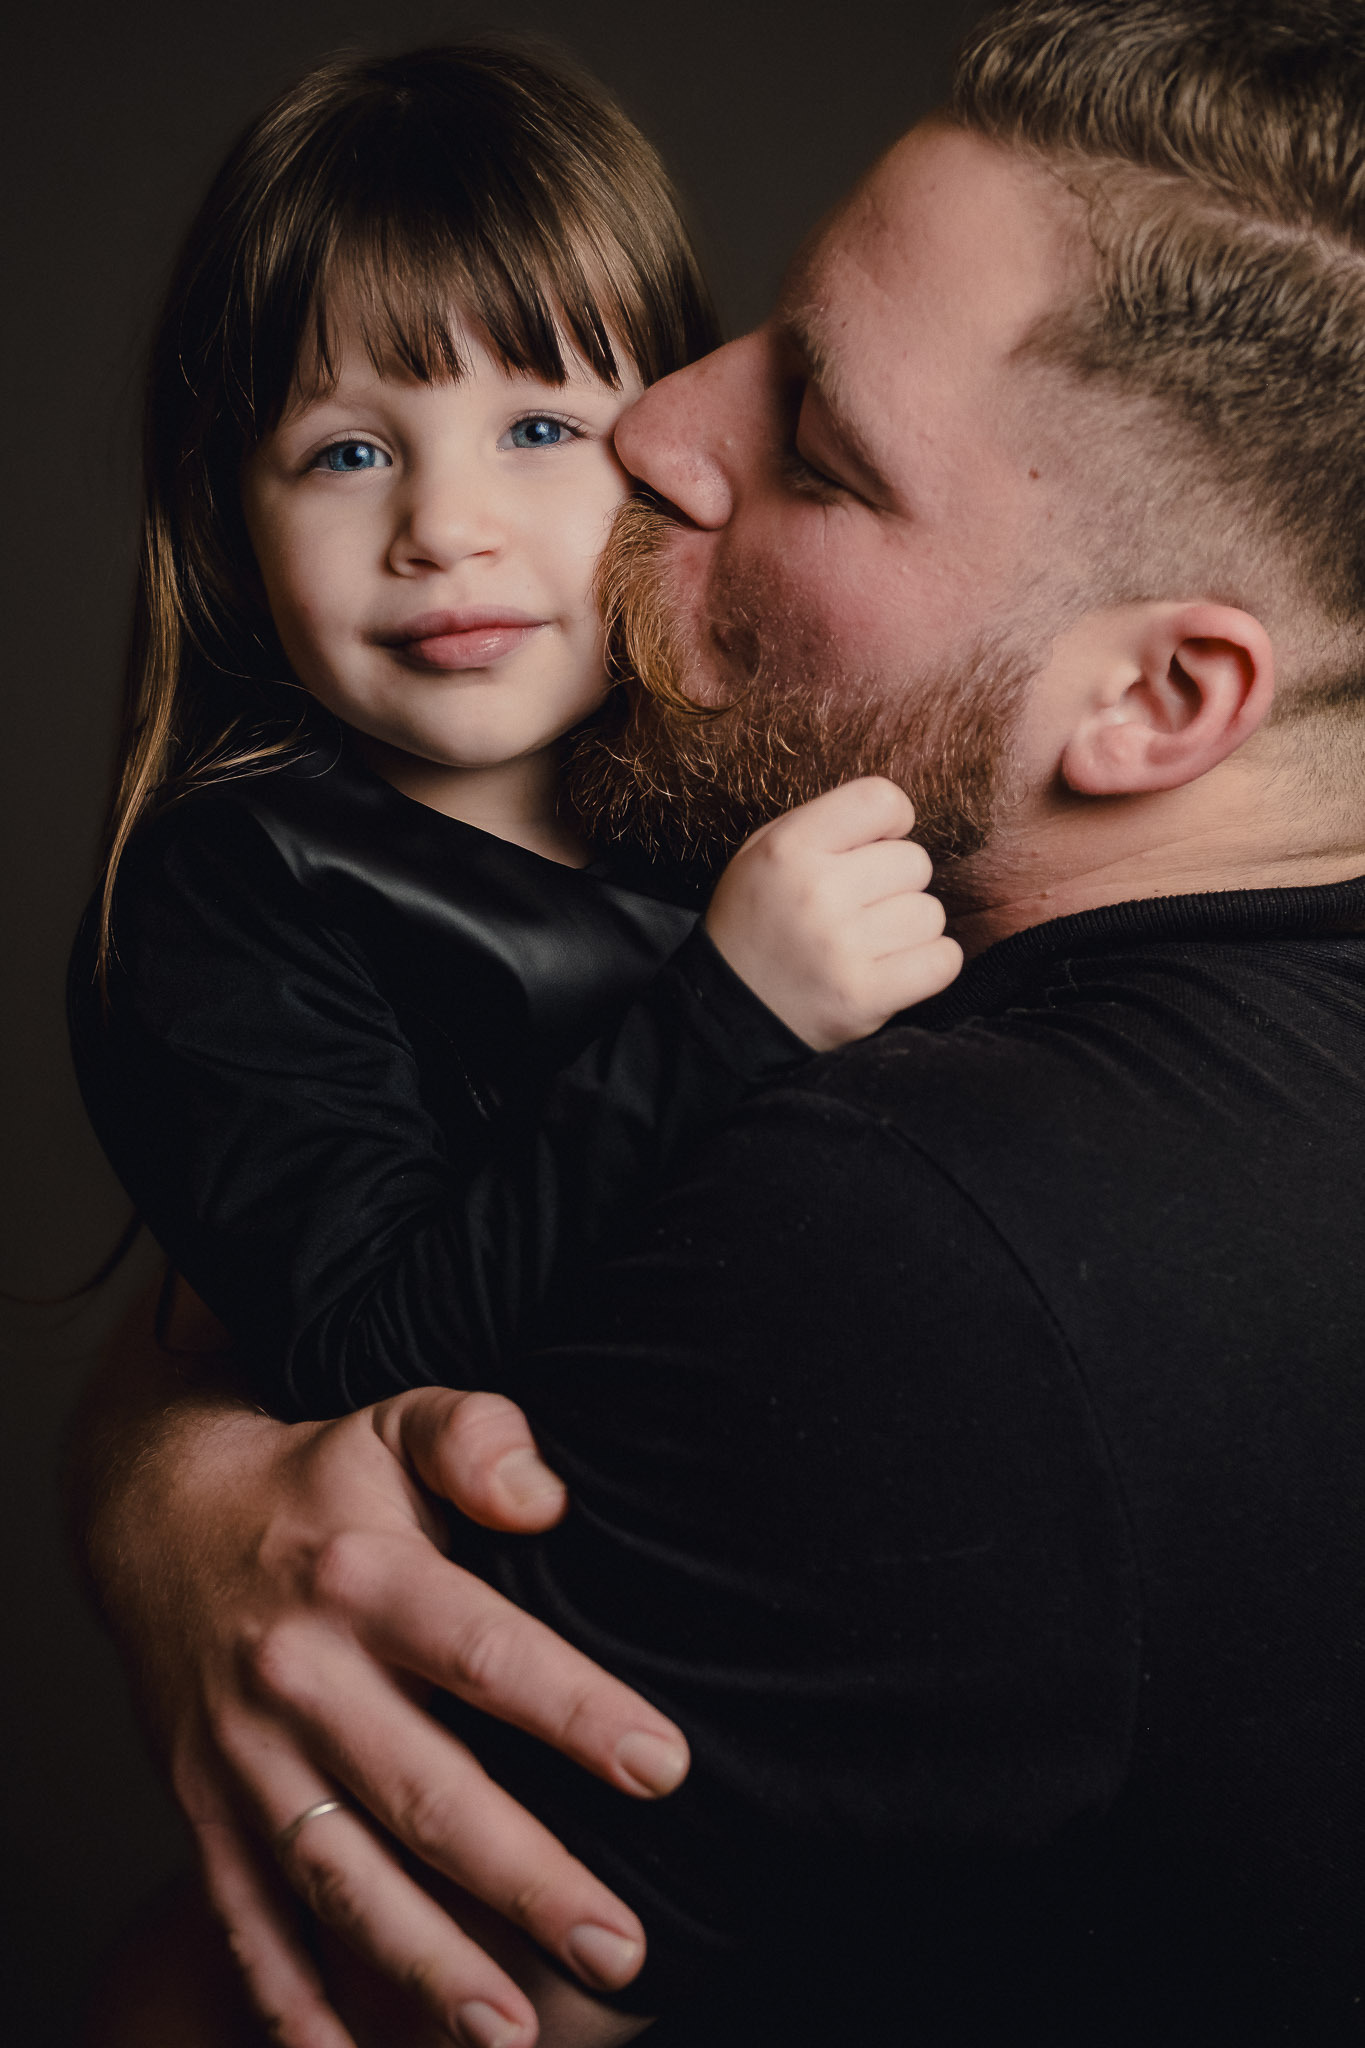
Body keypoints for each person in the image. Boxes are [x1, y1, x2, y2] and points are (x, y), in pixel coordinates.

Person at [73, 2, 1365, 2044]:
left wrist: (167, 1490)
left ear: (1153, 701)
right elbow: (310, 1282)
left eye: (818, 446)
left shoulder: (925, 1225)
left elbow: (304, 1995)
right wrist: (181, 1479)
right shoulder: (718, 823)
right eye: (345, 448)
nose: (655, 432)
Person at [67, 41, 957, 1424]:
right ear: (231, 526)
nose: (442, 527)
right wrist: (725, 1014)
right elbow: (362, 1349)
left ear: (672, 454)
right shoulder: (228, 897)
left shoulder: (778, 769)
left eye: (538, 429)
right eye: (348, 453)